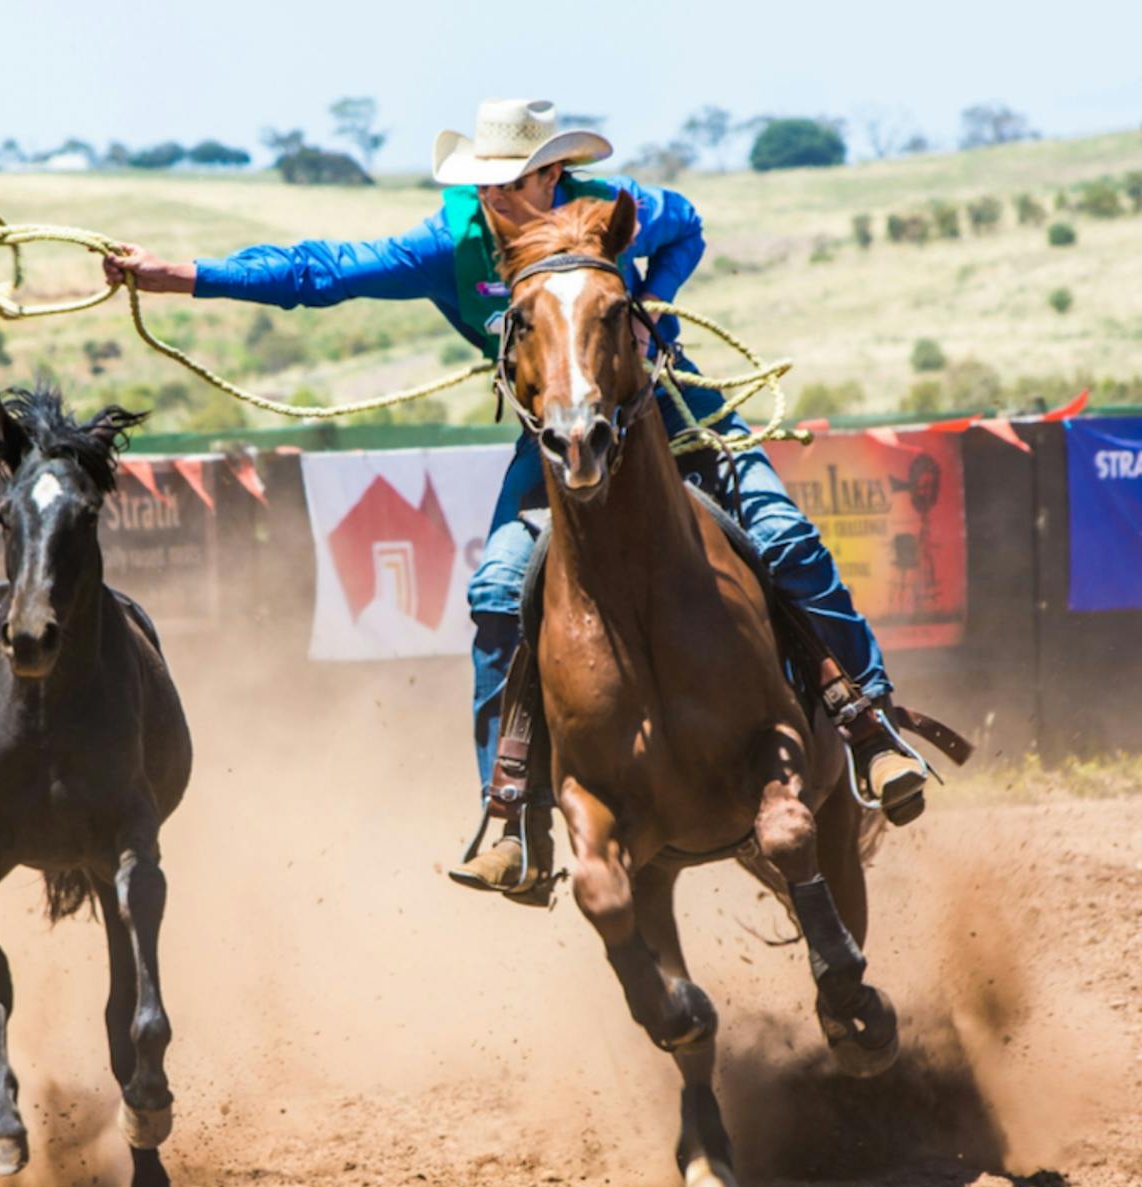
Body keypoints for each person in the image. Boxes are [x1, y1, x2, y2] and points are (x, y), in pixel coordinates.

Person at [103, 98, 928, 900]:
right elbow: (321, 271)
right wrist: (184, 277)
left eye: (510, 176)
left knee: (783, 538)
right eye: (485, 178)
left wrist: (652, 319)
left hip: (675, 407)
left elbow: (691, 226)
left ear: (554, 171)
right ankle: (510, 812)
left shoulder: (615, 208)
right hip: (559, 435)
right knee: (499, 589)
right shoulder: (452, 241)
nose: (491, 192)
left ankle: (869, 726)